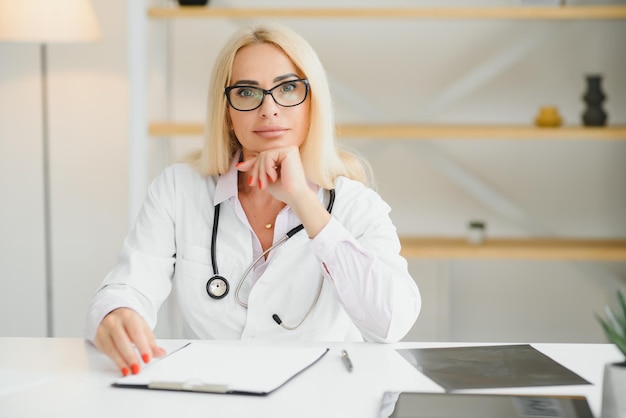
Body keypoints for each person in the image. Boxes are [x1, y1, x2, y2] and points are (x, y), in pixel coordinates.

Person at [85, 23, 421, 377]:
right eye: (247, 92)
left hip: (321, 398)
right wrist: (116, 313)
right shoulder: (177, 190)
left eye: (288, 88)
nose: (269, 109)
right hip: (214, 396)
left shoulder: (355, 204)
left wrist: (304, 203)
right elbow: (127, 286)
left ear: (313, 104)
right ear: (227, 113)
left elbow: (391, 322)